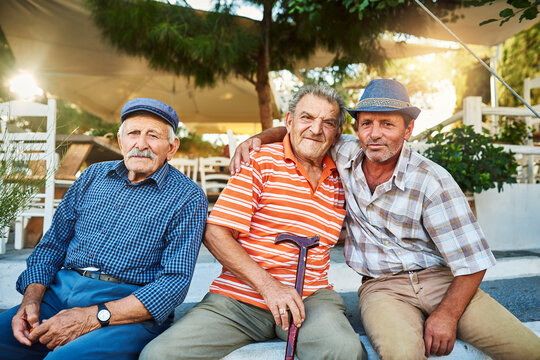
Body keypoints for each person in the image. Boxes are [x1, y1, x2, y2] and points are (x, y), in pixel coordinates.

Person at [229, 79, 540, 359]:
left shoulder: (432, 180)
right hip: (382, 288)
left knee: (526, 349)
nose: (374, 134)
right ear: (356, 129)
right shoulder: (346, 153)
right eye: (366, 124)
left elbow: (473, 260)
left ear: (407, 130)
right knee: (402, 355)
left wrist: (447, 315)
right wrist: (255, 139)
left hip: (439, 281)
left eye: (387, 124)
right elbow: (300, 128)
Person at [140, 85, 364, 360]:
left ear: (337, 133)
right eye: (306, 118)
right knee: (158, 356)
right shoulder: (260, 162)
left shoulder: (343, 173)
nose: (316, 130)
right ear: (289, 121)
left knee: (345, 352)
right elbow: (214, 232)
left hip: (309, 299)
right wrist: (269, 287)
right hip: (239, 300)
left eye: (327, 123)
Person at [0, 98, 208, 360]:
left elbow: (173, 283)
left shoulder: (187, 196)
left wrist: (92, 316)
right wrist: (30, 301)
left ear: (172, 146)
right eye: (133, 133)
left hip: (127, 309)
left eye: (153, 135)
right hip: (58, 294)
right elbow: (52, 245)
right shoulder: (92, 176)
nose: (141, 144)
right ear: (121, 141)